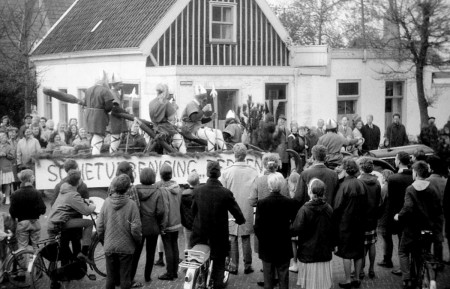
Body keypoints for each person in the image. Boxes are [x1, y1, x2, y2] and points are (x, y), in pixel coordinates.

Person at [191, 161, 245, 289]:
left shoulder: (198, 190)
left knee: (198, 260)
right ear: (219, 173)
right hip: (218, 237)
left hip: (200, 234)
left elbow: (193, 212)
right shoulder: (225, 193)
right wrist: (240, 220)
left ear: (207, 173)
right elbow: (236, 212)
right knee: (219, 265)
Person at [394, 161, 443, 289]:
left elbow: (408, 208)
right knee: (424, 252)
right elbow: (438, 209)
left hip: (412, 229)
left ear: (415, 173)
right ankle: (426, 277)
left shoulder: (410, 188)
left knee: (403, 251)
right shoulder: (432, 188)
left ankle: (407, 279)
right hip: (428, 227)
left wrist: (398, 216)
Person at [97, 174, 142, 289]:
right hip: (126, 247)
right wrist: (138, 241)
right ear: (128, 188)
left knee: (110, 277)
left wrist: (104, 240)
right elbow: (136, 228)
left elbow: (100, 226)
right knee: (125, 278)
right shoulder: (132, 205)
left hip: (109, 245)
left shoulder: (106, 202)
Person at [220, 143, 259, 275]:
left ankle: (233, 265)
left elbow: (223, 192)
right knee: (246, 236)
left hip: (231, 207)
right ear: (245, 155)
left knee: (233, 237)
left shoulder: (226, 171)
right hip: (247, 206)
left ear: (234, 155)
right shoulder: (253, 171)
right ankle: (248, 265)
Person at [254, 173, 297, 289]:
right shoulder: (289, 202)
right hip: (283, 243)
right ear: (282, 185)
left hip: (267, 245)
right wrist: (289, 234)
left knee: (268, 276)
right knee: (283, 275)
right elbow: (295, 224)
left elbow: (257, 226)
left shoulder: (262, 203)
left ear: (269, 186)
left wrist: (263, 240)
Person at [291, 178, 334, 289]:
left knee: (310, 285)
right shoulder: (328, 208)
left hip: (308, 252)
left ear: (310, 191)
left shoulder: (304, 210)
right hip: (324, 251)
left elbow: (296, 229)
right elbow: (333, 229)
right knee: (323, 284)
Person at [48, 170, 96, 264]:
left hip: (54, 220)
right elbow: (86, 211)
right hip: (61, 222)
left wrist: (84, 200)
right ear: (78, 182)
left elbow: (70, 200)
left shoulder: (64, 189)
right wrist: (93, 206)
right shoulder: (73, 194)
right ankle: (84, 253)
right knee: (89, 223)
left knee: (63, 246)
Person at [333, 158, 367, 289]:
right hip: (360, 222)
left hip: (346, 223)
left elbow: (337, 206)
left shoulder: (344, 185)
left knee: (346, 253)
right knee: (358, 251)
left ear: (346, 170)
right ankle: (357, 278)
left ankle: (348, 280)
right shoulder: (361, 183)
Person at [130, 168, 165, 287]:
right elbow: (160, 211)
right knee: (150, 253)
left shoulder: (134, 189)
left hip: (138, 225)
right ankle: (147, 276)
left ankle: (131, 276)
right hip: (152, 225)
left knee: (136, 253)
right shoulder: (157, 191)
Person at [383, 152, 414, 275]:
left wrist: (389, 218)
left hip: (398, 214)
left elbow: (391, 200)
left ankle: (403, 267)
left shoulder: (393, 178)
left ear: (399, 161)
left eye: (395, 159)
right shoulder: (414, 176)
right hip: (412, 212)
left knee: (402, 242)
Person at [156, 164, 182, 281]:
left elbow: (164, 208)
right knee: (175, 246)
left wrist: (162, 225)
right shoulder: (177, 187)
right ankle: (175, 271)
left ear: (161, 175)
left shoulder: (161, 189)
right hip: (177, 221)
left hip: (167, 223)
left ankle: (170, 273)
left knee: (168, 248)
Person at [181, 85, 226, 152]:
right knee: (212, 135)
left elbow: (201, 120)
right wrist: (203, 110)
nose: (205, 98)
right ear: (199, 96)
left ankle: (225, 151)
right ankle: (211, 153)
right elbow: (194, 118)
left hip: (199, 128)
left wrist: (211, 118)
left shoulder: (198, 105)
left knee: (218, 132)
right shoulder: (191, 104)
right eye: (203, 96)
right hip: (192, 130)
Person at [9, 169, 46, 250]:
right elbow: (43, 210)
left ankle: (25, 263)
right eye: (33, 176)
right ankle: (36, 262)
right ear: (29, 179)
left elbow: (12, 212)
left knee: (22, 247)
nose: (34, 178)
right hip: (34, 222)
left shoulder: (15, 194)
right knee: (35, 247)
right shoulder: (37, 193)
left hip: (22, 223)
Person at [358, 158, 381, 279]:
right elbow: (379, 201)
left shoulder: (359, 181)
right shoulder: (377, 182)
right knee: (372, 243)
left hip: (361, 218)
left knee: (362, 245)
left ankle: (360, 270)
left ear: (361, 167)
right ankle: (371, 269)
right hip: (373, 217)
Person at [149, 83, 186, 153]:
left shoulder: (151, 103)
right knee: (180, 140)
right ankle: (183, 157)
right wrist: (174, 108)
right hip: (165, 129)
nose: (170, 97)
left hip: (154, 128)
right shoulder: (166, 103)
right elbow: (171, 119)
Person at [83, 74, 115, 155]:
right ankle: (95, 156)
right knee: (98, 137)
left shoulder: (88, 90)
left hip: (88, 116)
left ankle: (93, 153)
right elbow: (109, 106)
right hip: (99, 116)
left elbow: (85, 103)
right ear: (103, 81)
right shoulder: (105, 90)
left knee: (93, 136)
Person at [425, 155, 446, 267]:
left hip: (429, 213)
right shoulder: (444, 181)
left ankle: (428, 258)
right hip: (441, 213)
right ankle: (439, 261)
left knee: (427, 237)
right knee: (438, 238)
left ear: (430, 167)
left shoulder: (427, 181)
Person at [377, 169, 395, 269]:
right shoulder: (392, 187)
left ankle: (387, 259)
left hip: (384, 217)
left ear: (385, 177)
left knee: (386, 239)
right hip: (390, 216)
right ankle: (388, 258)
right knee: (388, 239)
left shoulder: (384, 188)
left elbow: (380, 204)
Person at [108, 73, 128, 153]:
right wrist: (125, 112)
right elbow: (116, 107)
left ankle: (113, 153)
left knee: (117, 139)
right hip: (114, 119)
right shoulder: (112, 92)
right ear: (115, 84)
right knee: (115, 139)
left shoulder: (117, 92)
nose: (121, 85)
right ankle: (112, 155)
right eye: (120, 84)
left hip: (118, 119)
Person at [180, 171, 199, 251]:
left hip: (187, 225)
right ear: (198, 181)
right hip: (198, 225)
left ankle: (187, 261)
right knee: (198, 245)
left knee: (188, 244)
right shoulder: (199, 194)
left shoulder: (183, 194)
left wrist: (184, 223)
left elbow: (181, 211)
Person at [287, 171, 300, 273]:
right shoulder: (302, 194)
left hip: (292, 222)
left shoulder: (289, 195)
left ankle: (295, 263)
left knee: (293, 244)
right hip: (301, 222)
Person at [0, 132, 15, 204]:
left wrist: (5, 154)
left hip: (6, 167)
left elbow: (12, 157)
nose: (3, 139)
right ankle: (1, 197)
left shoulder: (9, 146)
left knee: (7, 184)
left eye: (4, 137)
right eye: (2, 137)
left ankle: (7, 198)